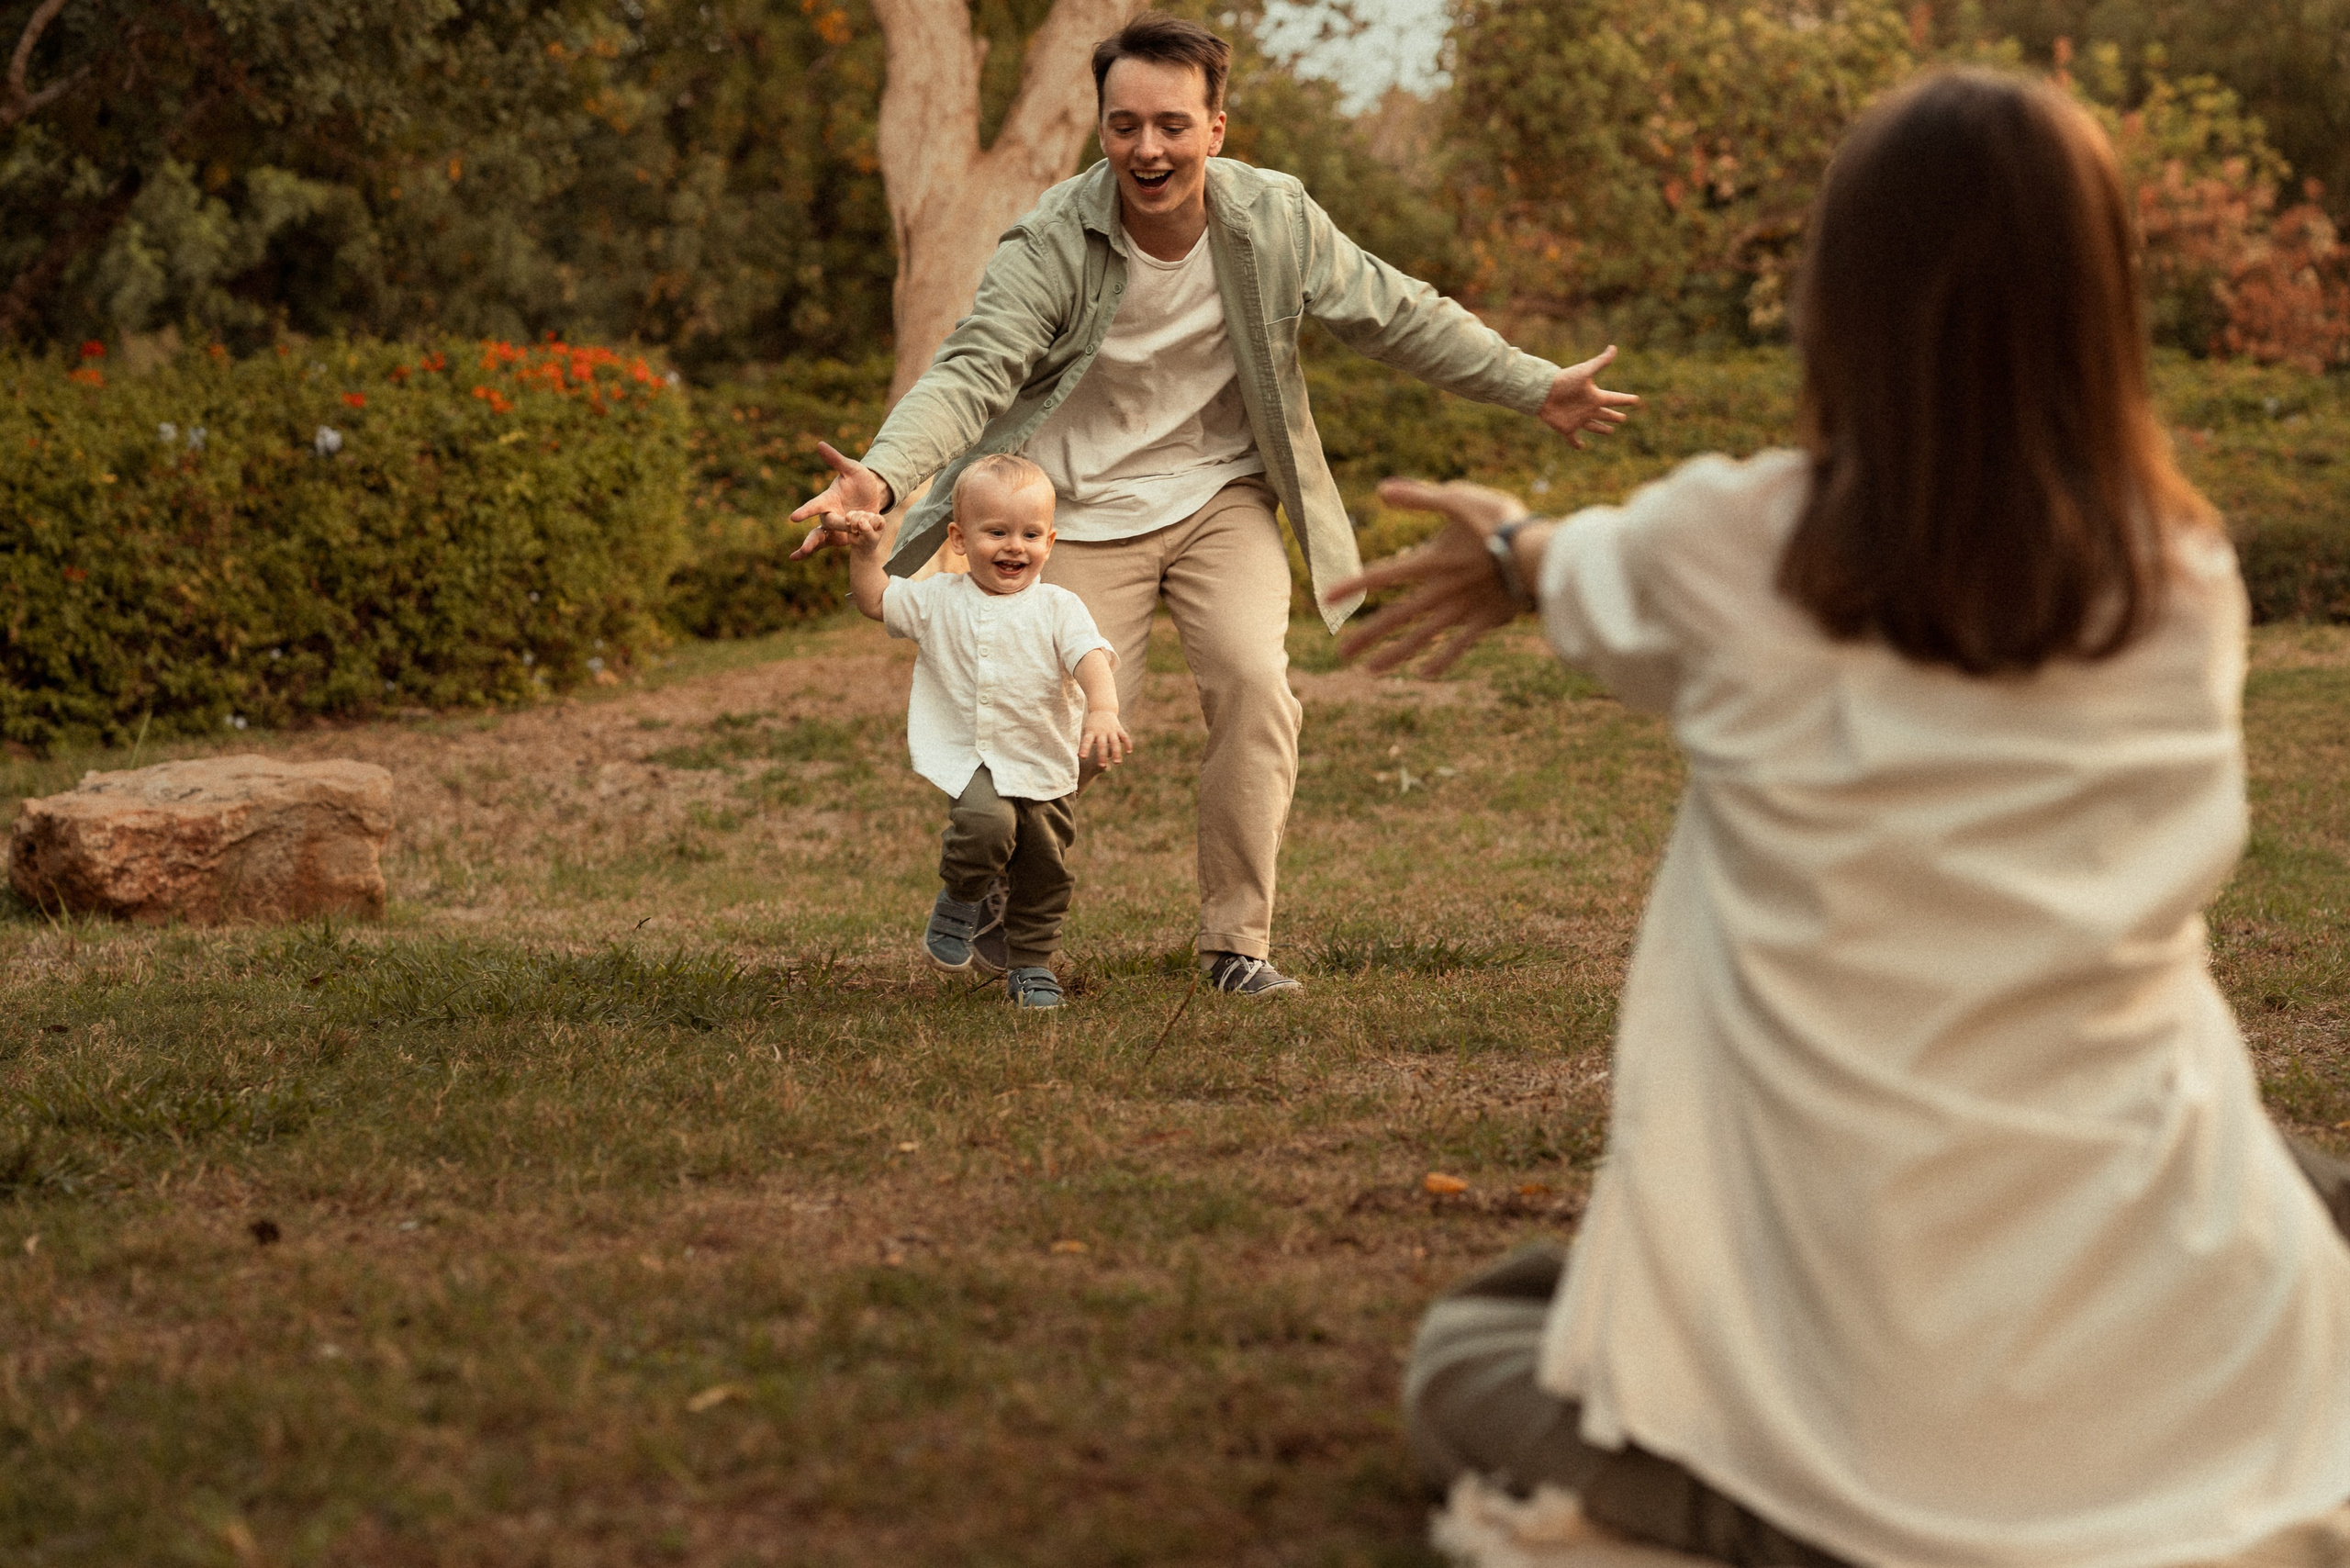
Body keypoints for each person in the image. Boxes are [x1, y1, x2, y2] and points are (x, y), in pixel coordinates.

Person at [1333, 69, 2350, 1568]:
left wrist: (1504, 539)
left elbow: (1564, 563)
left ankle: (1799, 1506)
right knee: (2281, 1176)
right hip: (2122, 1212)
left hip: (1857, 1331)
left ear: (1835, 303)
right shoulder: (2182, 579)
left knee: (1474, 1355)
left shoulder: (1731, 551)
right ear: (2099, 308)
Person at [789, 11, 1638, 996]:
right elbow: (975, 368)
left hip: (1218, 494)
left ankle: (1236, 943)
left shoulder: (1273, 218)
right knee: (1058, 727)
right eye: (1123, 126)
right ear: (1102, 130)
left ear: (1215, 128)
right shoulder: (1053, 239)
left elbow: (1395, 311)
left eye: (1171, 124)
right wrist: (885, 474)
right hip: (1080, 508)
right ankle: (987, 877)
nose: (1147, 148)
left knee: (1253, 681)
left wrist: (1536, 384)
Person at [843, 453, 1128, 1011]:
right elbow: (876, 599)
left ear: (1050, 541)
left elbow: (1090, 658)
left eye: (1029, 534)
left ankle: (1031, 964)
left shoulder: (1058, 606)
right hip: (968, 753)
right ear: (958, 537)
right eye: (996, 532)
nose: (1013, 547)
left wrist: (1103, 709)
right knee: (986, 824)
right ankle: (963, 894)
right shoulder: (938, 600)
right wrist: (865, 549)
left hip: (1044, 757)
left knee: (1044, 866)